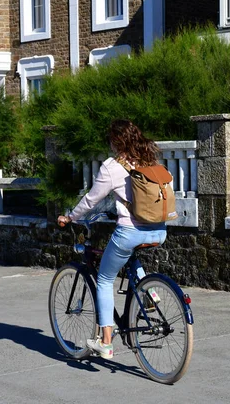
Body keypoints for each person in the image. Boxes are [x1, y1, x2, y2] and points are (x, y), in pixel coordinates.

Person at [57, 119, 167, 360]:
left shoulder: (111, 166)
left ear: (115, 142)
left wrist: (70, 217)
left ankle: (106, 342)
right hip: (159, 229)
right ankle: (148, 291)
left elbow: (91, 200)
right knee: (130, 254)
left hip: (131, 231)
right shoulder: (149, 160)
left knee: (105, 279)